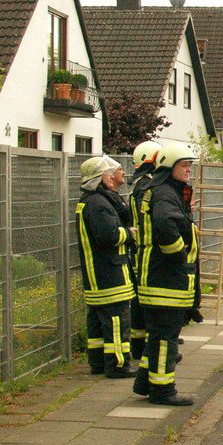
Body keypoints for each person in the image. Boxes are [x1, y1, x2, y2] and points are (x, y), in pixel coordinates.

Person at [134, 142, 203, 406]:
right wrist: (179, 254)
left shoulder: (160, 190)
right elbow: (165, 225)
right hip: (165, 279)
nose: (188, 170)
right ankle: (163, 390)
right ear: (169, 167)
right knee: (166, 337)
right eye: (184, 165)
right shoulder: (165, 194)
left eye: (189, 165)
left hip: (158, 276)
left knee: (158, 334)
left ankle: (144, 382)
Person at [76, 156, 137, 379]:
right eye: (108, 174)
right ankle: (119, 365)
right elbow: (108, 236)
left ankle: (99, 362)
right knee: (117, 319)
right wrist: (129, 234)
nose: (112, 177)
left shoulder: (91, 201)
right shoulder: (98, 204)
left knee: (96, 320)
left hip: (97, 274)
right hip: (109, 274)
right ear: (100, 178)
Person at [127, 140, 161, 375]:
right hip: (145, 251)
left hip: (140, 250)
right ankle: (145, 345)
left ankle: (141, 344)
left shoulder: (139, 185)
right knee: (144, 301)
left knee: (140, 301)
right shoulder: (146, 187)